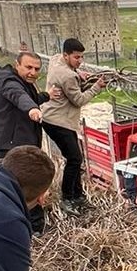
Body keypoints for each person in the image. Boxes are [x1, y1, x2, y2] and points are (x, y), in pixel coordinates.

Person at [41, 38, 106, 215]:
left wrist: (78, 73)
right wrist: (97, 87)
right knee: (75, 159)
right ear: (66, 55)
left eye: (81, 57)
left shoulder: (56, 60)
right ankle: (67, 198)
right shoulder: (67, 76)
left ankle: (78, 195)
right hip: (58, 121)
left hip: (52, 118)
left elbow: (71, 76)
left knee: (76, 159)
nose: (80, 61)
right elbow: (78, 100)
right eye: (76, 57)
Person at [0, 52, 51, 159]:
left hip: (23, 146)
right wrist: (32, 109)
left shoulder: (24, 81)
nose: (33, 72)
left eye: (36, 69)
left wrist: (47, 95)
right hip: (11, 149)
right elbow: (18, 95)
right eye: (29, 67)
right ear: (17, 65)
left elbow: (30, 98)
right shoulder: (9, 82)